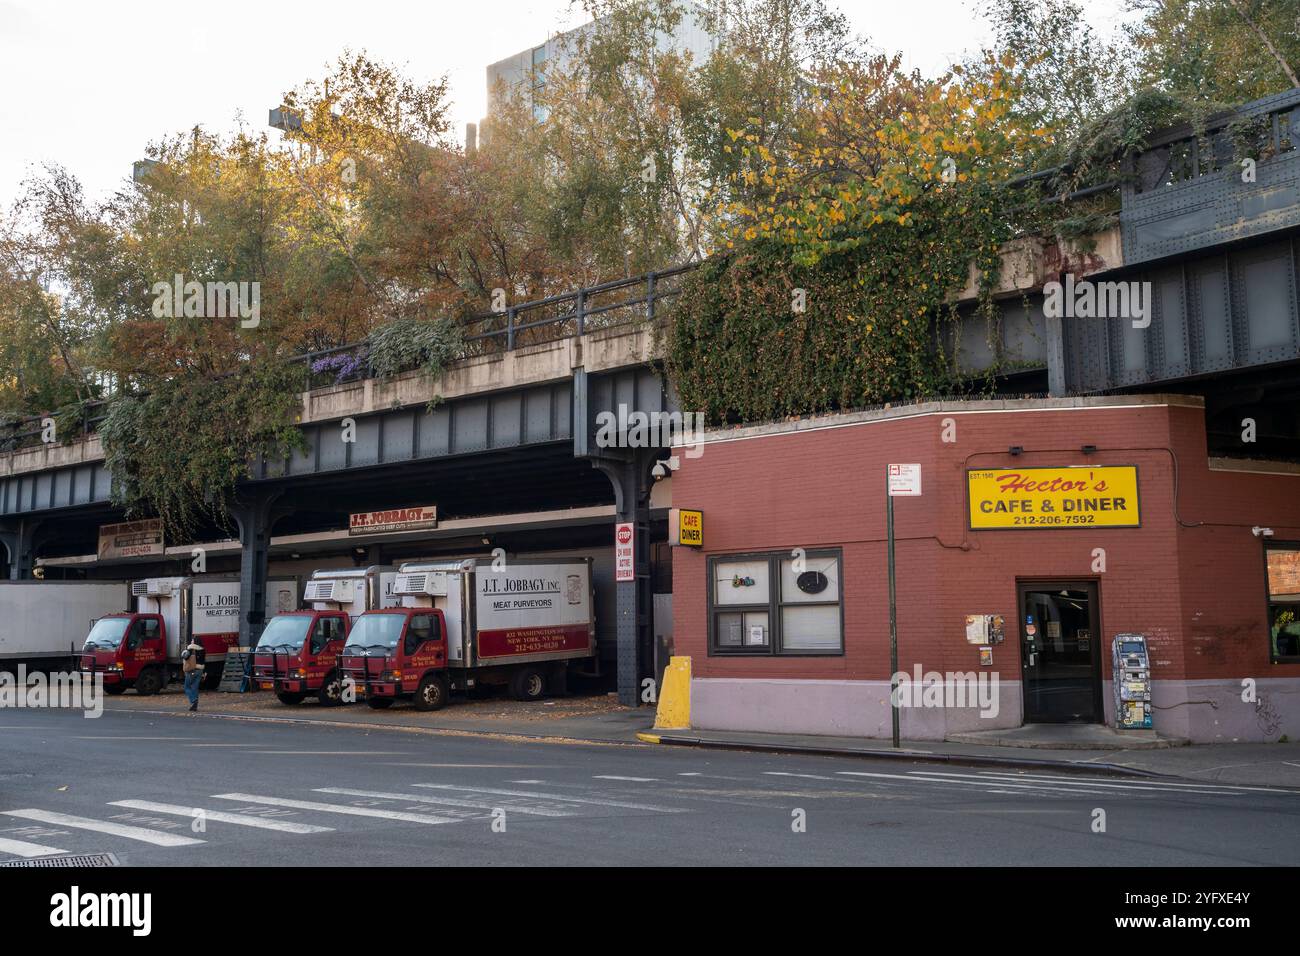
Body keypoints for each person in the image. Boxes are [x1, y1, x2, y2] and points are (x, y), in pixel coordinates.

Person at [181, 639, 205, 712]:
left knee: (187, 687)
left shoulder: (191, 648)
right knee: (195, 687)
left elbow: (185, 656)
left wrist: (184, 652)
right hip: (200, 670)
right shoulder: (203, 649)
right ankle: (194, 706)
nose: (191, 641)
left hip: (192, 670)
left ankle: (193, 700)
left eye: (192, 640)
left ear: (195, 642)